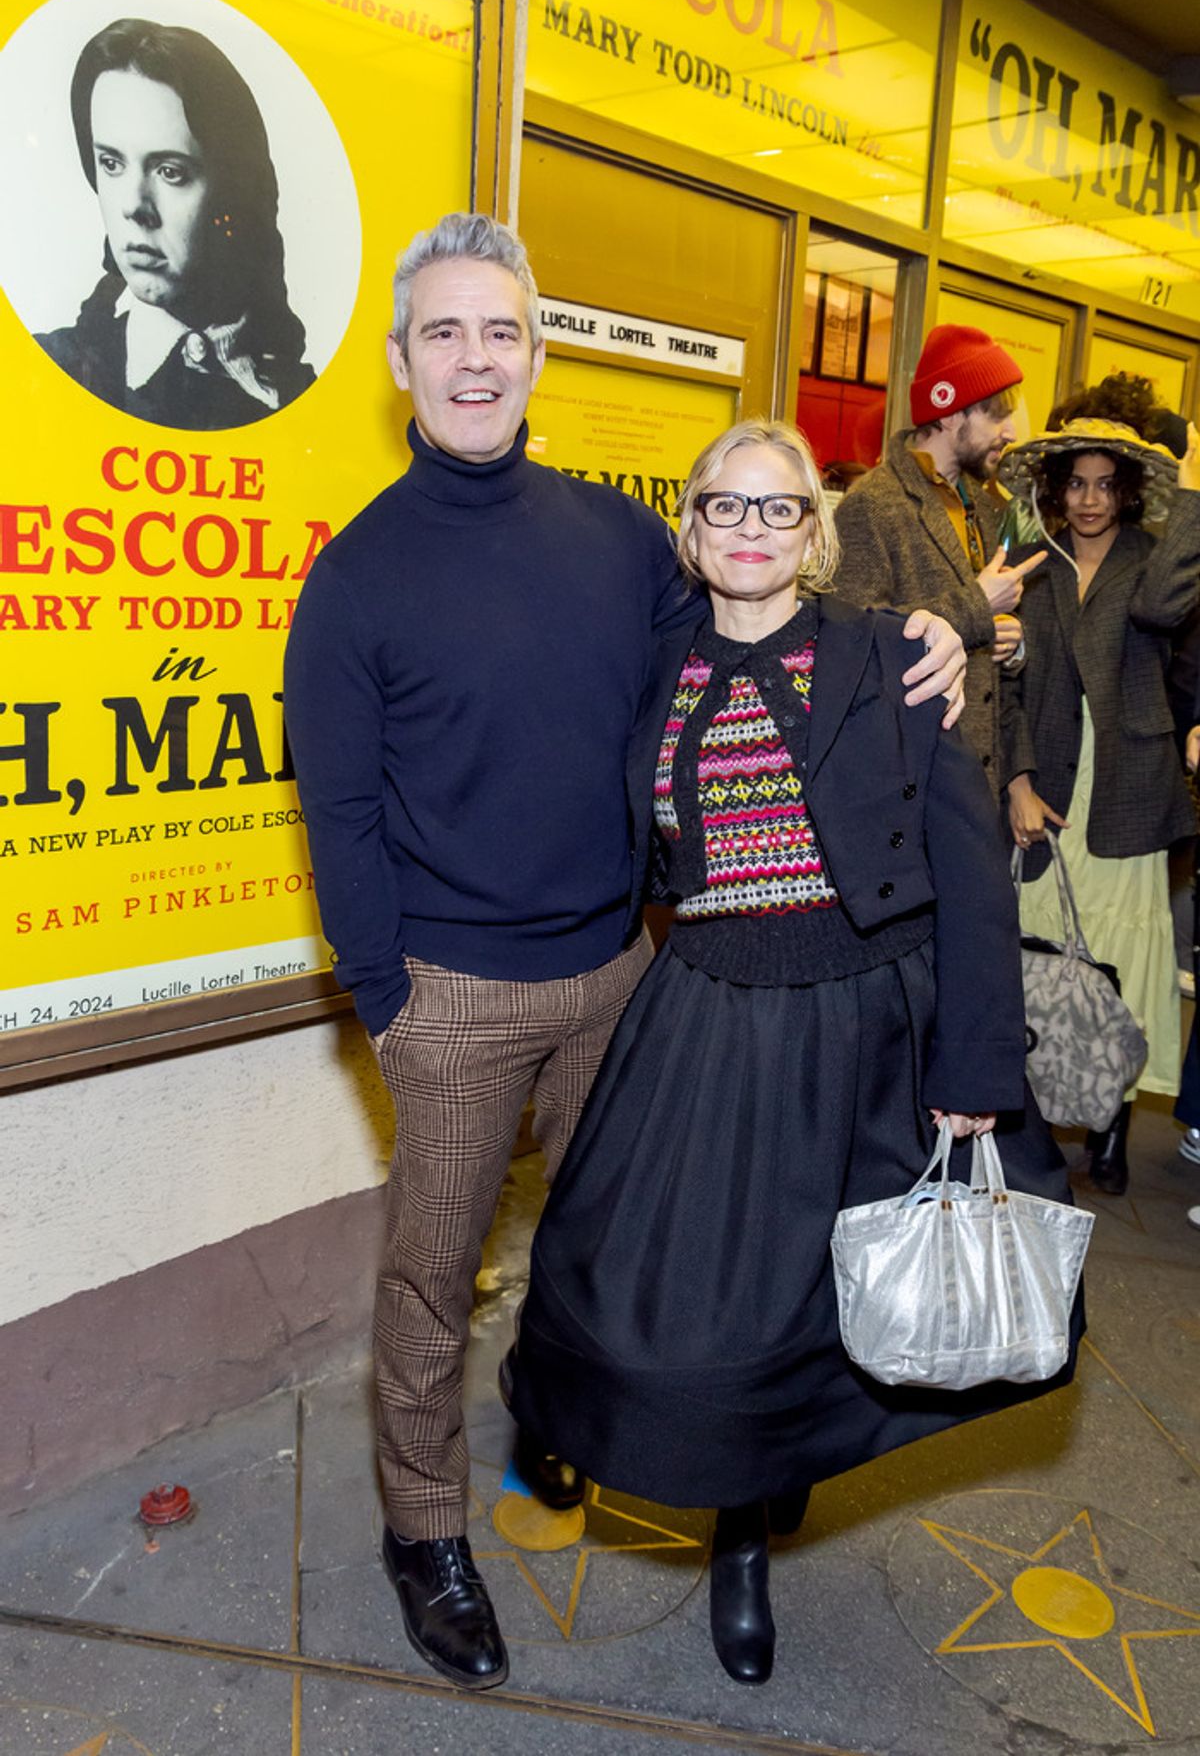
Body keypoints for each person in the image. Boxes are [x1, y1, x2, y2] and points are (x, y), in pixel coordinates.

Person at [283, 212, 970, 1692]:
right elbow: (336, 812)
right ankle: (424, 1531)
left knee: (616, 1244)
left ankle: (569, 1418)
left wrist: (918, 637)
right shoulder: (356, 578)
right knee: (431, 1281)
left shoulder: (614, 537)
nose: (476, 359)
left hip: (624, 980)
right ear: (401, 361)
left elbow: (759, 622)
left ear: (537, 354)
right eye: (446, 332)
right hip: (454, 996)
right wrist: (389, 999)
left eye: (502, 329)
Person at [508, 418, 1080, 1688]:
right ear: (692, 528)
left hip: (874, 1023)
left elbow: (967, 866)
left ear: (815, 533)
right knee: (679, 1286)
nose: (752, 529)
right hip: (710, 1017)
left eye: (780, 508)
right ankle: (682, 1477)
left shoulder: (889, 654)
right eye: (726, 505)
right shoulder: (654, 669)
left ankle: (752, 1530)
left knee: (831, 1299)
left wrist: (977, 1067)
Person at [999, 411, 1200, 1193]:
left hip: (1127, 787)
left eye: (1106, 486)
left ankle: (1110, 1126)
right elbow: (1007, 686)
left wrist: (1190, 493)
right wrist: (1017, 781)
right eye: (1077, 484)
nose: (1089, 500)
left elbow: (1160, 612)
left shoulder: (1152, 562)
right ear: (1056, 489)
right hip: (1047, 786)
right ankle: (1035, 1109)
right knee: (1039, 953)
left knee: (1119, 959)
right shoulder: (1032, 565)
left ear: (1128, 493)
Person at [36, 17, 314, 430]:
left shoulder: (303, 402)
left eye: (170, 172)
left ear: (232, 191)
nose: (134, 206)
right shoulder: (46, 370)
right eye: (111, 163)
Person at [834, 323, 1047, 792]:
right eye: (996, 416)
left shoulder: (986, 506)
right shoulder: (872, 505)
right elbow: (852, 642)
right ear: (950, 414)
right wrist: (978, 606)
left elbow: (985, 642)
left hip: (977, 782)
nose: (1010, 432)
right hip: (909, 778)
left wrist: (1010, 641)